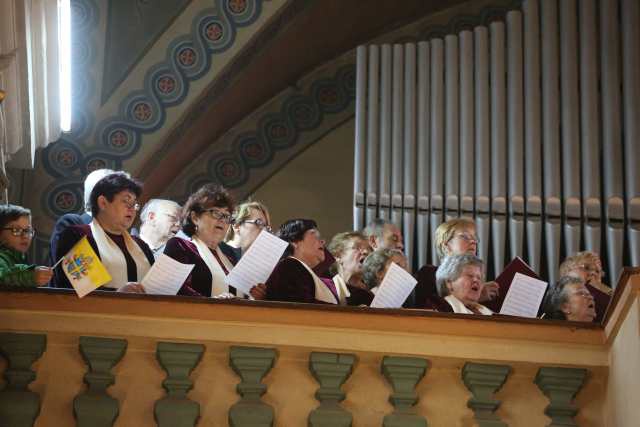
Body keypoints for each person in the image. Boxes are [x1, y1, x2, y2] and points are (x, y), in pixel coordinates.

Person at [52, 173, 154, 292]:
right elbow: (80, 287)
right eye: (126, 201)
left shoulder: (141, 246)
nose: (132, 208)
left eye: (134, 204)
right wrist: (118, 295)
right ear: (103, 203)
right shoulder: (78, 236)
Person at [163, 184, 239, 297]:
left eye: (227, 216)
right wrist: (211, 303)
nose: (223, 220)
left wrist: (254, 294)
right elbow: (175, 289)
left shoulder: (229, 257)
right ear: (195, 218)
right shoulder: (180, 246)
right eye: (216, 213)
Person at [415, 218, 499, 308]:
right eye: (465, 237)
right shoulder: (428, 274)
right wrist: (475, 296)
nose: (473, 241)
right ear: (446, 245)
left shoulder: (479, 282)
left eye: (475, 238)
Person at [49, 168, 115, 273]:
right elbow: (76, 275)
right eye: (123, 199)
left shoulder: (122, 234)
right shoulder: (72, 224)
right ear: (102, 200)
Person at [265, 219, 338, 304]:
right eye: (315, 235)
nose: (322, 241)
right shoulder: (289, 267)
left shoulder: (301, 270)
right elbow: (302, 307)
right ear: (295, 241)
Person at [0, 204, 52, 287]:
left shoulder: (20, 258)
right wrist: (30, 277)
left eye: (28, 230)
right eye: (16, 230)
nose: (25, 236)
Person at [559, 251, 611, 323]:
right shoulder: (560, 298)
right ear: (568, 273)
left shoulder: (613, 296)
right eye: (586, 268)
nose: (593, 273)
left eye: (597, 271)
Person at [327, 231, 372, 305]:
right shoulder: (328, 290)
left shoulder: (370, 295)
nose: (366, 252)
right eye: (357, 247)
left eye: (368, 249)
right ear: (338, 256)